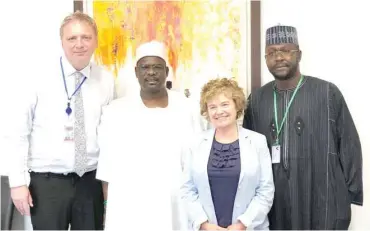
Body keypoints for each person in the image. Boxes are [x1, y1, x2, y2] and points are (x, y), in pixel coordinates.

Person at [243, 25, 363, 230]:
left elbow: (349, 144)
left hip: (323, 200)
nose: (279, 57)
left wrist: (349, 195)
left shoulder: (327, 93)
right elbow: (247, 153)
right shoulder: (256, 100)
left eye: (285, 50)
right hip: (274, 204)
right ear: (265, 59)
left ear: (299, 54)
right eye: (271, 52)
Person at [6, 11, 115, 230]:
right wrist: (17, 183)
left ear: (95, 41)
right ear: (62, 42)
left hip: (89, 182)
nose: (79, 44)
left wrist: (106, 185)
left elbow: (108, 134)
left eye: (86, 37)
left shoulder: (106, 79)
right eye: (72, 38)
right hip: (48, 184)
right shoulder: (37, 77)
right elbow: (17, 132)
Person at [96, 40, 203, 230]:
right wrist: (106, 208)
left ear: (167, 72)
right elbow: (107, 167)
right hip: (129, 207)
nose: (151, 72)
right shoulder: (116, 112)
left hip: (176, 205)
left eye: (157, 67)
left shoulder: (187, 108)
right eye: (145, 67)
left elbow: (200, 162)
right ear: (136, 72)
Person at [180, 78, 274, 231]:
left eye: (225, 104)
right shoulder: (195, 144)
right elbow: (187, 189)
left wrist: (243, 224)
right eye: (212, 107)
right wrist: (203, 224)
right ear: (207, 111)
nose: (219, 111)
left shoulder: (257, 141)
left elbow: (266, 190)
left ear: (237, 106)